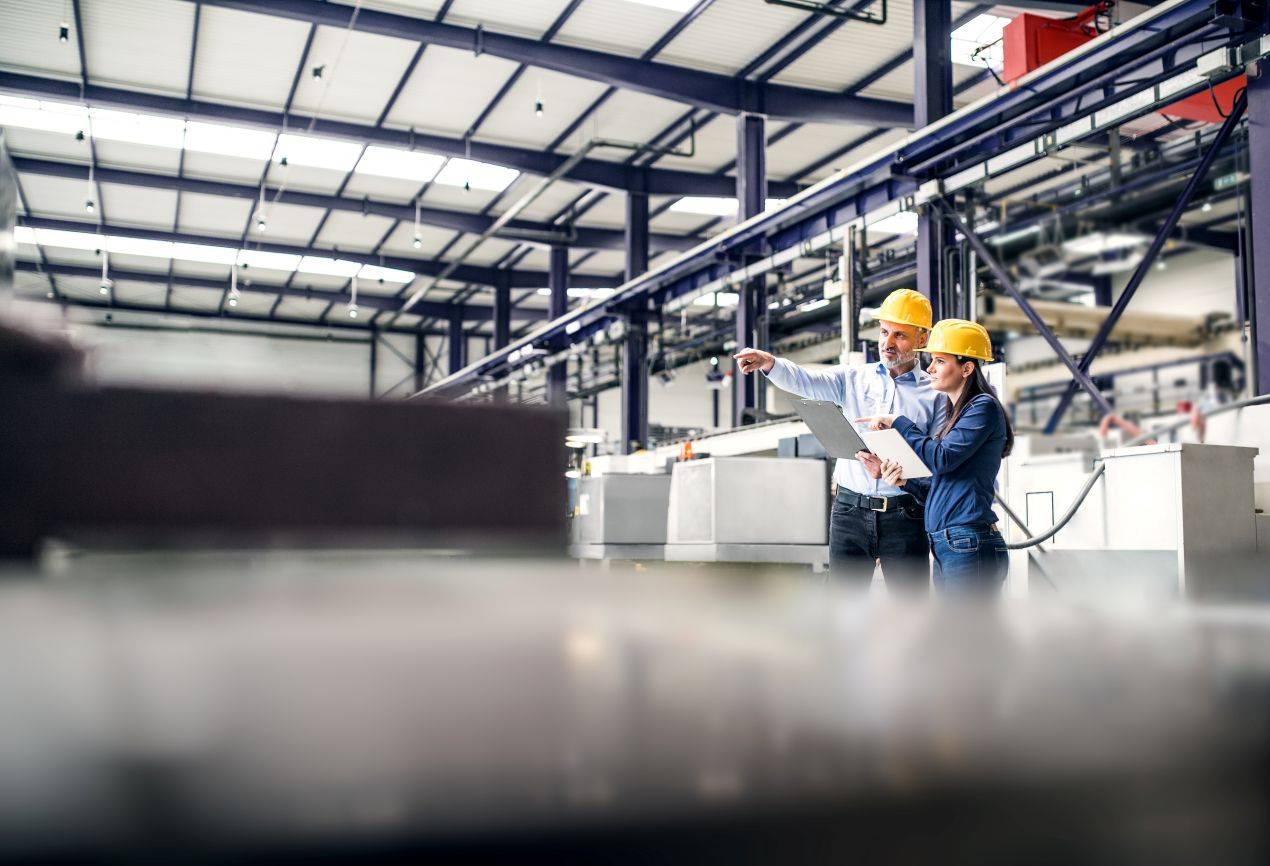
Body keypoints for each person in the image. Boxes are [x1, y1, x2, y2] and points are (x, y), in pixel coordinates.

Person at [733, 289, 945, 590]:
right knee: (843, 606)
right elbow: (806, 382)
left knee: (909, 607)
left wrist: (901, 470)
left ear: (922, 339)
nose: (887, 343)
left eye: (900, 335)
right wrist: (771, 363)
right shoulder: (853, 378)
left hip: (905, 514)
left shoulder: (934, 393)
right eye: (884, 332)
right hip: (849, 511)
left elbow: (936, 457)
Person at [857, 319, 1013, 595]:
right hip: (950, 544)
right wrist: (902, 481)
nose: (929, 368)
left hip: (968, 542)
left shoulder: (983, 407)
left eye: (939, 361)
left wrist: (899, 422)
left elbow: (940, 458)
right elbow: (941, 488)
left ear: (967, 368)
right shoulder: (957, 417)